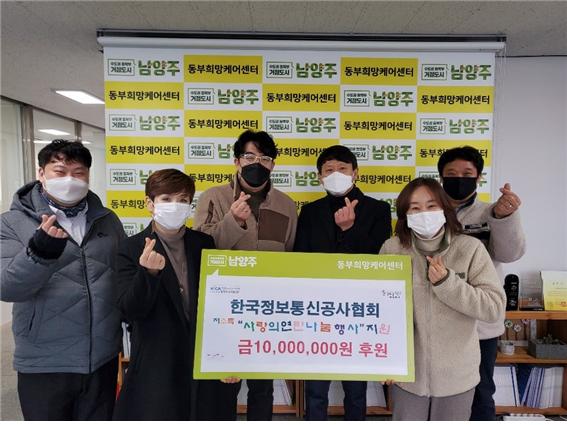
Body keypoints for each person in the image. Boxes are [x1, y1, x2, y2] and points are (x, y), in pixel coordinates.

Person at [0, 140, 125, 420]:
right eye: (59, 171)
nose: (69, 180)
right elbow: (7, 287)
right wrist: (39, 253)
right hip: (45, 361)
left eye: (78, 172)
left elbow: (120, 277)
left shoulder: (107, 220)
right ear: (41, 173)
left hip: (101, 358)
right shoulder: (11, 223)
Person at [379, 177, 506, 421]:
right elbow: (382, 310)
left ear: (445, 209)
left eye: (431, 206)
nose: (424, 214)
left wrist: (448, 283)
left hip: (457, 377)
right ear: (405, 214)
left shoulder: (469, 248)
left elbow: (494, 308)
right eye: (415, 208)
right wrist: (385, 360)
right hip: (408, 376)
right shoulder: (392, 249)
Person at [193, 129, 298, 420]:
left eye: (264, 158)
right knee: (225, 386)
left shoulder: (286, 205)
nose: (257, 164)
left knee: (263, 386)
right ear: (237, 161)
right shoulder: (213, 197)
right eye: (249, 157)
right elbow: (201, 249)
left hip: (267, 308)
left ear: (273, 164)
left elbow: (288, 253)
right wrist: (233, 221)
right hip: (225, 308)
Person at [294, 145, 392, 420]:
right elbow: (300, 258)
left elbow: (380, 257)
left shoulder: (378, 210)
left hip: (359, 310)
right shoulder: (310, 212)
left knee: (356, 388)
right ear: (319, 177)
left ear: (355, 173)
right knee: (315, 389)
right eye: (328, 170)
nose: (335, 174)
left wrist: (349, 230)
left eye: (342, 169)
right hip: (317, 310)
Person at [112, 168, 215, 420]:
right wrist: (148, 274)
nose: (175, 206)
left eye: (182, 200)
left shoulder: (204, 243)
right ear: (150, 203)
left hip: (200, 355)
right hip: (157, 358)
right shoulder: (130, 248)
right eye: (166, 199)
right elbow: (129, 309)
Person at [437, 146, 526, 420]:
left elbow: (510, 254)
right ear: (441, 177)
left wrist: (502, 218)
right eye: (451, 173)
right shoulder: (427, 210)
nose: (459, 179)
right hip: (437, 319)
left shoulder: (492, 212)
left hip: (479, 325)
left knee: (480, 391)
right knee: (440, 391)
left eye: (467, 174)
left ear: (478, 177)